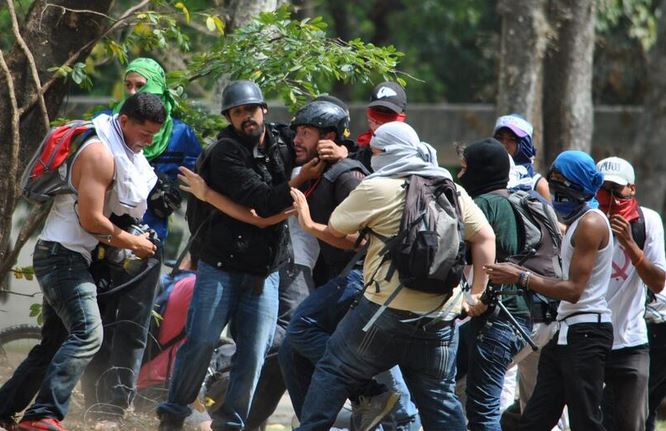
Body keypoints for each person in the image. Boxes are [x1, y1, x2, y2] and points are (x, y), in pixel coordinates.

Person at [290, 121, 496, 431]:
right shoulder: (451, 189)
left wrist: (307, 222)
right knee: (440, 400)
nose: (371, 157)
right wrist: (477, 293)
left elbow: (336, 230)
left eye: (374, 151)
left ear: (386, 153)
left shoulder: (377, 187)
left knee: (333, 369)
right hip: (440, 316)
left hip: (384, 313)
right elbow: (484, 238)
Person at [155, 80, 322, 431]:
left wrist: (336, 147)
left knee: (253, 354)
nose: (246, 117)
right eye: (237, 112)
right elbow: (261, 200)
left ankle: (229, 424)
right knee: (200, 343)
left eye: (251, 109)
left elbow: (314, 142)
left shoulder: (281, 140)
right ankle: (173, 414)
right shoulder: (225, 153)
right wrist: (302, 177)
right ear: (229, 117)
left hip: (266, 271)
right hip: (221, 267)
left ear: (264, 110)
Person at [0, 92, 164, 431]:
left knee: (54, 345)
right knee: (89, 333)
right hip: (62, 257)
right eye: (143, 133)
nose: (148, 142)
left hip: (73, 256)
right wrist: (133, 242)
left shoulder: (124, 152)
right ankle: (42, 414)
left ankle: (4, 408)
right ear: (123, 122)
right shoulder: (99, 153)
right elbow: (91, 221)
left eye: (153, 135)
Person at [278, 101, 419, 431]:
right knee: (292, 351)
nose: (297, 139)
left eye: (306, 133)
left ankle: (372, 396)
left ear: (328, 138)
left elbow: (365, 240)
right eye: (297, 131)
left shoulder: (348, 176)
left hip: (364, 279)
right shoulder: (318, 173)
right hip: (344, 280)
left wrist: (310, 223)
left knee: (305, 333)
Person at [82, 57, 203, 429]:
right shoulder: (106, 124)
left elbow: (200, 193)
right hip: (102, 239)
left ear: (158, 88)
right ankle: (94, 402)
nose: (133, 93)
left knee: (133, 327)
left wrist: (173, 199)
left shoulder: (181, 135)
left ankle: (117, 406)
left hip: (149, 244)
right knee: (97, 324)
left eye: (141, 86)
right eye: (128, 85)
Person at [485, 150, 613, 431]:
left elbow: (574, 290)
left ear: (579, 184)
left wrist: (521, 277)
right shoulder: (576, 222)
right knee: (535, 419)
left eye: (562, 182)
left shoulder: (591, 223)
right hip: (564, 330)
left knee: (586, 421)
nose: (556, 190)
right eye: (552, 180)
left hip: (587, 331)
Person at [455, 138, 533, 431]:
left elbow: (458, 254)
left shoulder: (483, 205)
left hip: (495, 319)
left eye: (465, 169)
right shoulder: (517, 201)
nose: (460, 176)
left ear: (482, 171)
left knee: (483, 410)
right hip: (522, 317)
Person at [595, 157, 666, 431]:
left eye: (616, 190)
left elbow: (658, 282)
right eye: (603, 190)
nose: (610, 198)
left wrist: (628, 243)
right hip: (592, 338)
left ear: (631, 190)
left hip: (632, 340)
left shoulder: (648, 221)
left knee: (633, 421)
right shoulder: (589, 219)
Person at [492, 113, 549, 199]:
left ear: (524, 144)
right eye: (500, 138)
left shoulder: (537, 184)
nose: (504, 144)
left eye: (512, 139)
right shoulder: (485, 176)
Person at [354, 81, 408, 170]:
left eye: (388, 112)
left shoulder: (412, 153)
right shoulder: (357, 149)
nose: (380, 119)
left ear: (402, 114)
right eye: (377, 110)